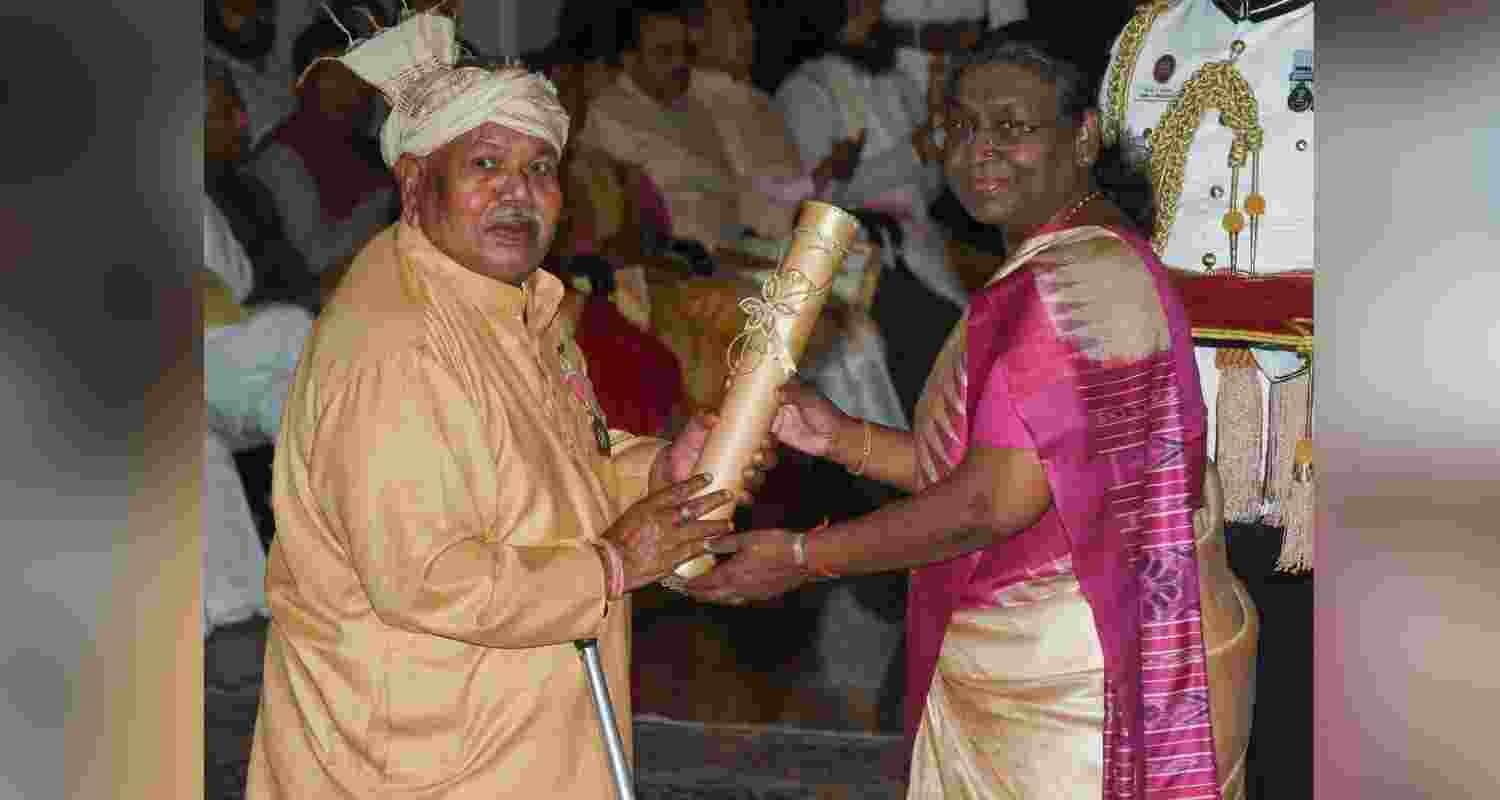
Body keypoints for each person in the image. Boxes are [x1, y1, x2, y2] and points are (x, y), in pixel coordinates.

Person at [685, 30, 1257, 799]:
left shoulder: (1069, 283)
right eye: (960, 126)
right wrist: (841, 438)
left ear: (1082, 135)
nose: (978, 149)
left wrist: (799, 558)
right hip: (1082, 669)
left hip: (1070, 698)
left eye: (1012, 128)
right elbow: (1022, 469)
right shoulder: (1085, 262)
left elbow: (992, 501)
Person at [246, 13, 772, 797]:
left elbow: (554, 474)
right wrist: (615, 563)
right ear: (417, 183)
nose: (517, 194)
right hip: (421, 762)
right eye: (486, 163)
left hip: (511, 737)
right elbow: (427, 578)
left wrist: (659, 467)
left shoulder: (506, 303)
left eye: (540, 168)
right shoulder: (397, 345)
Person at [1100, 1, 1313, 796]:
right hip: (1167, 395)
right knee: (1172, 658)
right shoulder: (1148, 34)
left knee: (1304, 668)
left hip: (1309, 417)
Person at [774, 0, 971, 421]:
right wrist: (913, 152)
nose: (875, 15)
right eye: (861, 9)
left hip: (918, 252)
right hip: (857, 259)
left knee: (965, 339)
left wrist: (936, 148)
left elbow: (927, 189)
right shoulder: (804, 90)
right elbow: (823, 200)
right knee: (920, 346)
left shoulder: (897, 83)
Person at [201, 65, 316, 637]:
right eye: (223, 111)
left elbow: (238, 283)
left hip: (221, 353)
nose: (241, 125)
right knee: (294, 340)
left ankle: (243, 614)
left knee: (285, 383)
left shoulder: (217, 194)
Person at [251, 17, 398, 279]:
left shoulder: (372, 151)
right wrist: (386, 202)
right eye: (338, 78)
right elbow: (316, 258)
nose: (357, 89)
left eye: (360, 76)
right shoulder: (282, 157)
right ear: (305, 84)